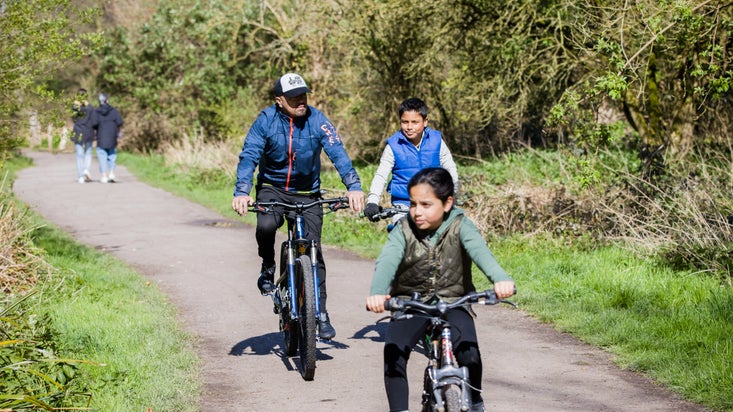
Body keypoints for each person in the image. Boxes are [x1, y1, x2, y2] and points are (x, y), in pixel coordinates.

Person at [365, 167, 515, 412]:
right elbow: (388, 260)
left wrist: (501, 279)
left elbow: (480, 253)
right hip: (411, 303)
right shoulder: (404, 229)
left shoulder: (460, 225)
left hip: (454, 300)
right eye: (413, 204)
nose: (417, 211)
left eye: (426, 204)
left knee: (471, 356)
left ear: (447, 203)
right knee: (394, 356)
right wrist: (378, 291)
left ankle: (475, 402)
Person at [232, 72, 365, 340]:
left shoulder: (318, 120)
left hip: (308, 193)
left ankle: (321, 314)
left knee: (314, 251)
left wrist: (354, 186)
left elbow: (337, 150)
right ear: (279, 100)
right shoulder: (266, 121)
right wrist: (242, 191)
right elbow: (249, 155)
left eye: (303, 95)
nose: (300, 101)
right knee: (267, 224)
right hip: (273, 189)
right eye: (293, 97)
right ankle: (268, 265)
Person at [363, 97, 459, 224]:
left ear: (425, 121)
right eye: (405, 122)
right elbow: (381, 175)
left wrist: (453, 195)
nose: (409, 127)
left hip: (433, 203)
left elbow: (450, 169)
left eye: (414, 122)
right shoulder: (393, 146)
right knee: (405, 233)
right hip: (404, 206)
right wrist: (373, 201)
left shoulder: (437, 141)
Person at [94, 93, 124, 183]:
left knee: (102, 156)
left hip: (101, 137)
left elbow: (94, 124)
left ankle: (104, 175)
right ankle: (111, 173)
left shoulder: (96, 112)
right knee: (112, 156)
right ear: (107, 100)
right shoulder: (114, 111)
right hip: (112, 137)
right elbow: (120, 122)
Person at [71, 88, 97, 183]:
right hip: (89, 132)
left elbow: (73, 119)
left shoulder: (74, 107)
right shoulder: (90, 108)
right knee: (88, 153)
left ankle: (80, 176)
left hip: (78, 132)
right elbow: (94, 121)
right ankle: (86, 169)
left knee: (79, 155)